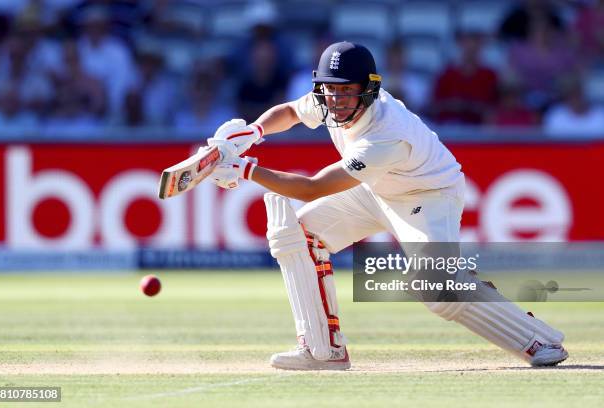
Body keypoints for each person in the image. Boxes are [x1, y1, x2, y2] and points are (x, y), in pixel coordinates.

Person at [204, 41, 568, 370]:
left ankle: (536, 339)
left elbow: (314, 188)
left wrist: (247, 169)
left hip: (427, 195)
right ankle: (323, 349)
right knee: (297, 234)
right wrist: (253, 132)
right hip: (376, 188)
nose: (336, 99)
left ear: (369, 89)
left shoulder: (385, 134)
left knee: (436, 287)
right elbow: (290, 112)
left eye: (347, 91)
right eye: (330, 89)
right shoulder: (327, 98)